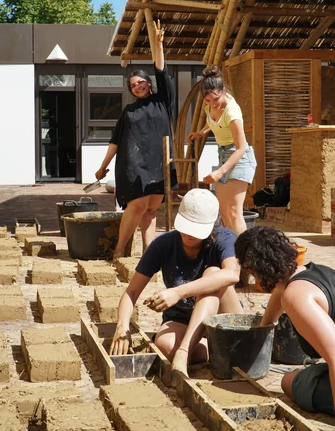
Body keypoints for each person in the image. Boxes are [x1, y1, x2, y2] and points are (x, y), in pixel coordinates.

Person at [110, 188, 242, 378]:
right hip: (183, 320)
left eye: (197, 230)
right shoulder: (163, 245)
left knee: (213, 274)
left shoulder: (224, 238)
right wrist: (122, 326)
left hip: (223, 316)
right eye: (187, 227)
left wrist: (178, 292)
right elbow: (131, 293)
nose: (189, 235)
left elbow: (232, 275)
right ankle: (215, 348)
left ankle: (185, 353)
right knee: (164, 345)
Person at [95, 20, 177, 259]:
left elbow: (161, 70)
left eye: (140, 82)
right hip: (133, 165)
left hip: (159, 164)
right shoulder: (128, 112)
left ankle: (147, 256)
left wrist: (159, 45)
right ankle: (120, 249)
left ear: (148, 84)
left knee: (151, 211)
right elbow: (115, 141)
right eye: (133, 85)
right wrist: (102, 166)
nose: (137, 86)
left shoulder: (162, 101)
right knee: (138, 206)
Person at [235, 226, 335, 416]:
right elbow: (279, 294)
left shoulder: (296, 296)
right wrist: (262, 331)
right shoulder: (315, 273)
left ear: (253, 269)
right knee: (293, 378)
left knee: (289, 383)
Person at [186, 65, 256, 235]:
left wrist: (220, 171)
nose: (213, 105)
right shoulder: (210, 106)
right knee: (223, 213)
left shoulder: (232, 112)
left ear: (223, 91)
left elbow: (240, 148)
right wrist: (201, 132)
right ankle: (229, 253)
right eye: (208, 100)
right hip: (223, 154)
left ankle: (246, 256)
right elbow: (213, 121)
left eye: (216, 99)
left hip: (239, 158)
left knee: (234, 212)